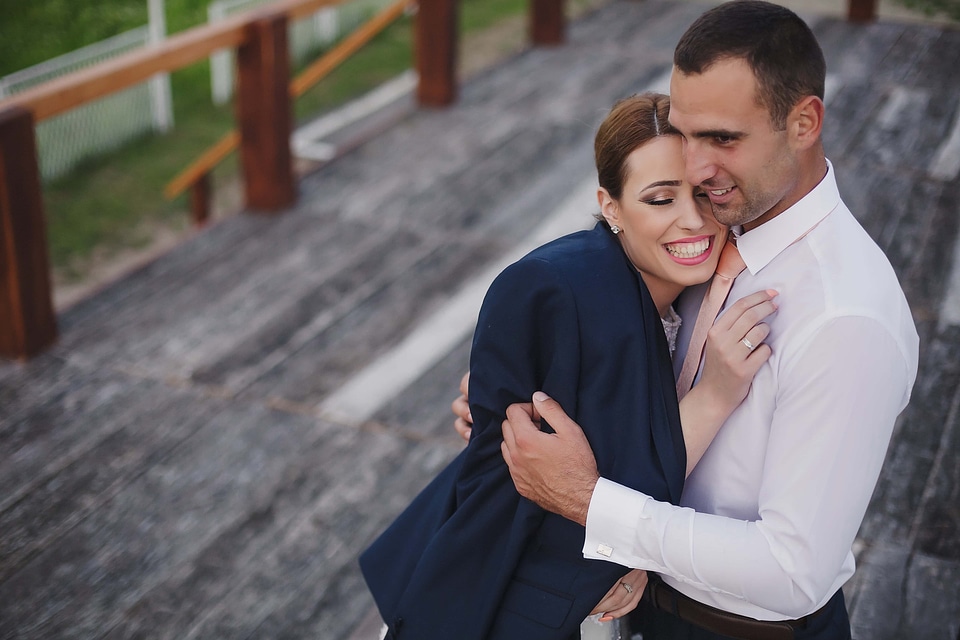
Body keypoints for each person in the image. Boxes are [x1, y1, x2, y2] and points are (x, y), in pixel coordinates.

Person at [454, 2, 920, 639]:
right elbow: (631, 380)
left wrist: (592, 505)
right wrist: (515, 405)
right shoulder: (712, 240)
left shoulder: (846, 318)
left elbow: (792, 571)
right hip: (637, 609)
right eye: (686, 131)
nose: (695, 169)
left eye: (723, 139)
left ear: (804, 121)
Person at [359, 93, 778, 640]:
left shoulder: (694, 293)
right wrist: (717, 394)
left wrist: (634, 557)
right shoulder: (556, 287)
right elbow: (520, 464)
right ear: (611, 207)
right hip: (511, 602)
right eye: (659, 199)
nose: (693, 219)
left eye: (703, 194)